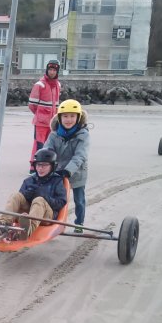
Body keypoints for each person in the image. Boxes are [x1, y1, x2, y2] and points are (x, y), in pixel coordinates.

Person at [0, 148, 67, 241]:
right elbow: (19, 200)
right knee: (16, 195)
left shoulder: (57, 181)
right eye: (38, 165)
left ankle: (28, 229)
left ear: (52, 166)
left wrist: (45, 197)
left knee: (39, 200)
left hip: (46, 216)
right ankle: (3, 225)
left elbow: (61, 202)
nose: (40, 168)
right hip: (26, 216)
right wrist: (26, 194)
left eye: (44, 165)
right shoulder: (29, 180)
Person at [44, 99, 90, 231]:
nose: (68, 120)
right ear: (59, 117)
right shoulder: (54, 135)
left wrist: (68, 170)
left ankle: (79, 223)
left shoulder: (83, 135)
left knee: (79, 200)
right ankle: (56, 223)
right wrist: (44, 162)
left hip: (77, 172)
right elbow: (47, 150)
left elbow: (80, 156)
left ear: (78, 117)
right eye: (65, 116)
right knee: (56, 199)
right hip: (58, 172)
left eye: (72, 116)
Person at [28, 59, 61, 168]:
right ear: (47, 70)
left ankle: (47, 167)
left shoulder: (58, 85)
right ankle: (34, 167)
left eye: (54, 70)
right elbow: (32, 105)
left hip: (52, 123)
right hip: (41, 123)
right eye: (50, 70)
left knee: (50, 145)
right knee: (38, 145)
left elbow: (56, 104)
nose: (52, 72)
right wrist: (40, 115)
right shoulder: (40, 85)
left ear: (57, 72)